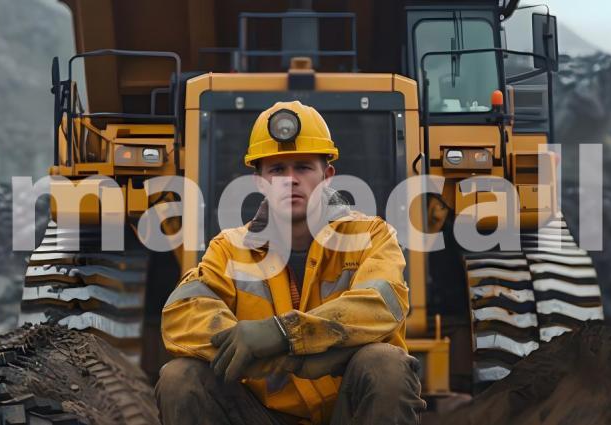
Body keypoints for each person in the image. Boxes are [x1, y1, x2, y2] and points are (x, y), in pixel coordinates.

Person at [157, 101, 426, 425]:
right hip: (261, 415)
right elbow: (182, 313)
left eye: (302, 167)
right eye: (277, 170)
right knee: (180, 377)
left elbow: (381, 306)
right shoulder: (229, 248)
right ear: (259, 181)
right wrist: (249, 348)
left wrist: (285, 335)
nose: (290, 180)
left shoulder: (371, 235)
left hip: (346, 412)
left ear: (327, 176)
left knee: (385, 364)